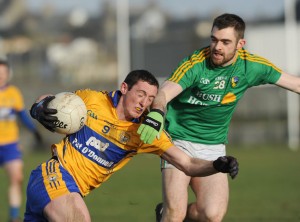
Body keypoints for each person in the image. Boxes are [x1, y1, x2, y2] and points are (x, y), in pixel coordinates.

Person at [137, 13, 300, 222]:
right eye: (214, 39)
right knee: (174, 214)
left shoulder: (252, 66)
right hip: (178, 140)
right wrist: (157, 114)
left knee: (212, 214)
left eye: (225, 42)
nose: (217, 47)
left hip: (213, 145)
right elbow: (163, 94)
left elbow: (295, 83)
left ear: (241, 44)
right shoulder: (196, 64)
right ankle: (168, 214)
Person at [24, 69, 238, 222]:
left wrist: (217, 165)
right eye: (141, 94)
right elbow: (56, 100)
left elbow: (188, 163)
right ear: (124, 88)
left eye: (151, 99)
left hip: (73, 191)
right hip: (53, 175)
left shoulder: (146, 131)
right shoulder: (92, 100)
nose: (144, 103)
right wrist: (39, 107)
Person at [0, 55, 42, 222]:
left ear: (8, 74)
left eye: (3, 72)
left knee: (16, 177)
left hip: (10, 144)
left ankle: (13, 217)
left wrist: (34, 131)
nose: (0, 75)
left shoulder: (13, 93)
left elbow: (22, 116)